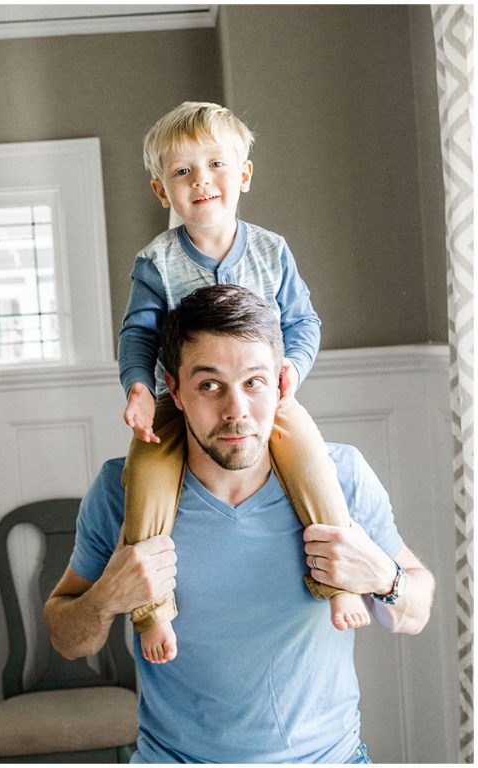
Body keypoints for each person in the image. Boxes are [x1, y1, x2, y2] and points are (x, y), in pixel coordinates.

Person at [46, 284, 435, 763]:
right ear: (176, 390)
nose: (236, 411)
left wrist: (382, 577)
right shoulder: (119, 490)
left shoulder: (343, 478)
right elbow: (66, 639)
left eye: (253, 381)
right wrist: (107, 597)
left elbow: (415, 612)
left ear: (281, 384)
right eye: (210, 385)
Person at [118, 101, 367, 664]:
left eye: (215, 165)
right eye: (182, 172)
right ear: (163, 192)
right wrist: (138, 386)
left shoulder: (271, 251)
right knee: (145, 475)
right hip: (177, 402)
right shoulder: (155, 262)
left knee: (312, 462)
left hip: (266, 395)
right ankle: (155, 609)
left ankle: (340, 581)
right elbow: (138, 334)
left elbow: (303, 322)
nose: (200, 181)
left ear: (244, 175)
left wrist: (291, 371)